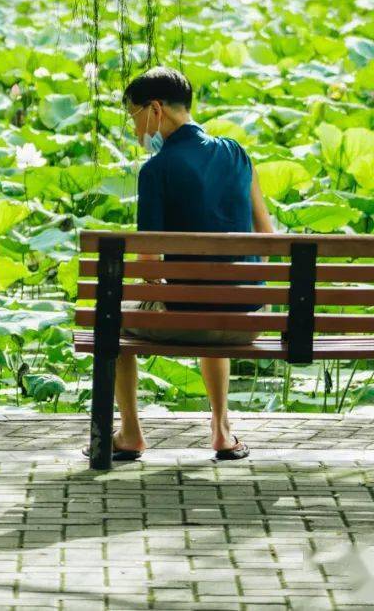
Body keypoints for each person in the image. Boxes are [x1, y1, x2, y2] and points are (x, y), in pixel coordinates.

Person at [111, 67, 275, 462]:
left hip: (188, 320)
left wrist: (162, 298)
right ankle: (221, 430)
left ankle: (130, 432)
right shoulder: (237, 154)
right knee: (217, 295)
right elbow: (268, 237)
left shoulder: (156, 171)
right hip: (246, 321)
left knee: (110, 317)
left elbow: (148, 267)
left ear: (155, 110)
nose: (135, 132)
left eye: (133, 117)